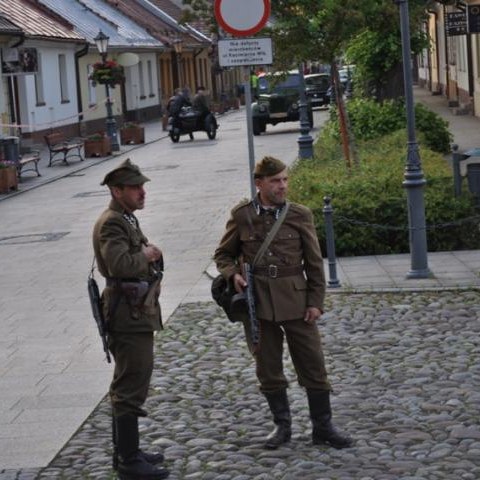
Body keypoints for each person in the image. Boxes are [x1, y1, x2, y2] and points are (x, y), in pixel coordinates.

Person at [214, 156, 352, 451]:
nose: (282, 186)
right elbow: (223, 255)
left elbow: (315, 263)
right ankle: (282, 426)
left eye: (285, 180)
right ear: (259, 183)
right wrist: (233, 274)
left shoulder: (299, 214)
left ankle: (323, 427)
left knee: (313, 363)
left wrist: (316, 301)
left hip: (297, 300)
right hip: (259, 303)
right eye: (275, 181)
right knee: (268, 367)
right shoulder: (242, 216)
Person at [92, 158, 170, 480]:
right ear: (116, 190)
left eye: (142, 186)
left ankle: (128, 452)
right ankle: (128, 462)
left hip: (135, 310)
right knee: (131, 383)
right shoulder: (112, 222)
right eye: (136, 187)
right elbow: (120, 264)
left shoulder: (126, 218)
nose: (142, 192)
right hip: (127, 314)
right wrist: (148, 255)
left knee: (129, 380)